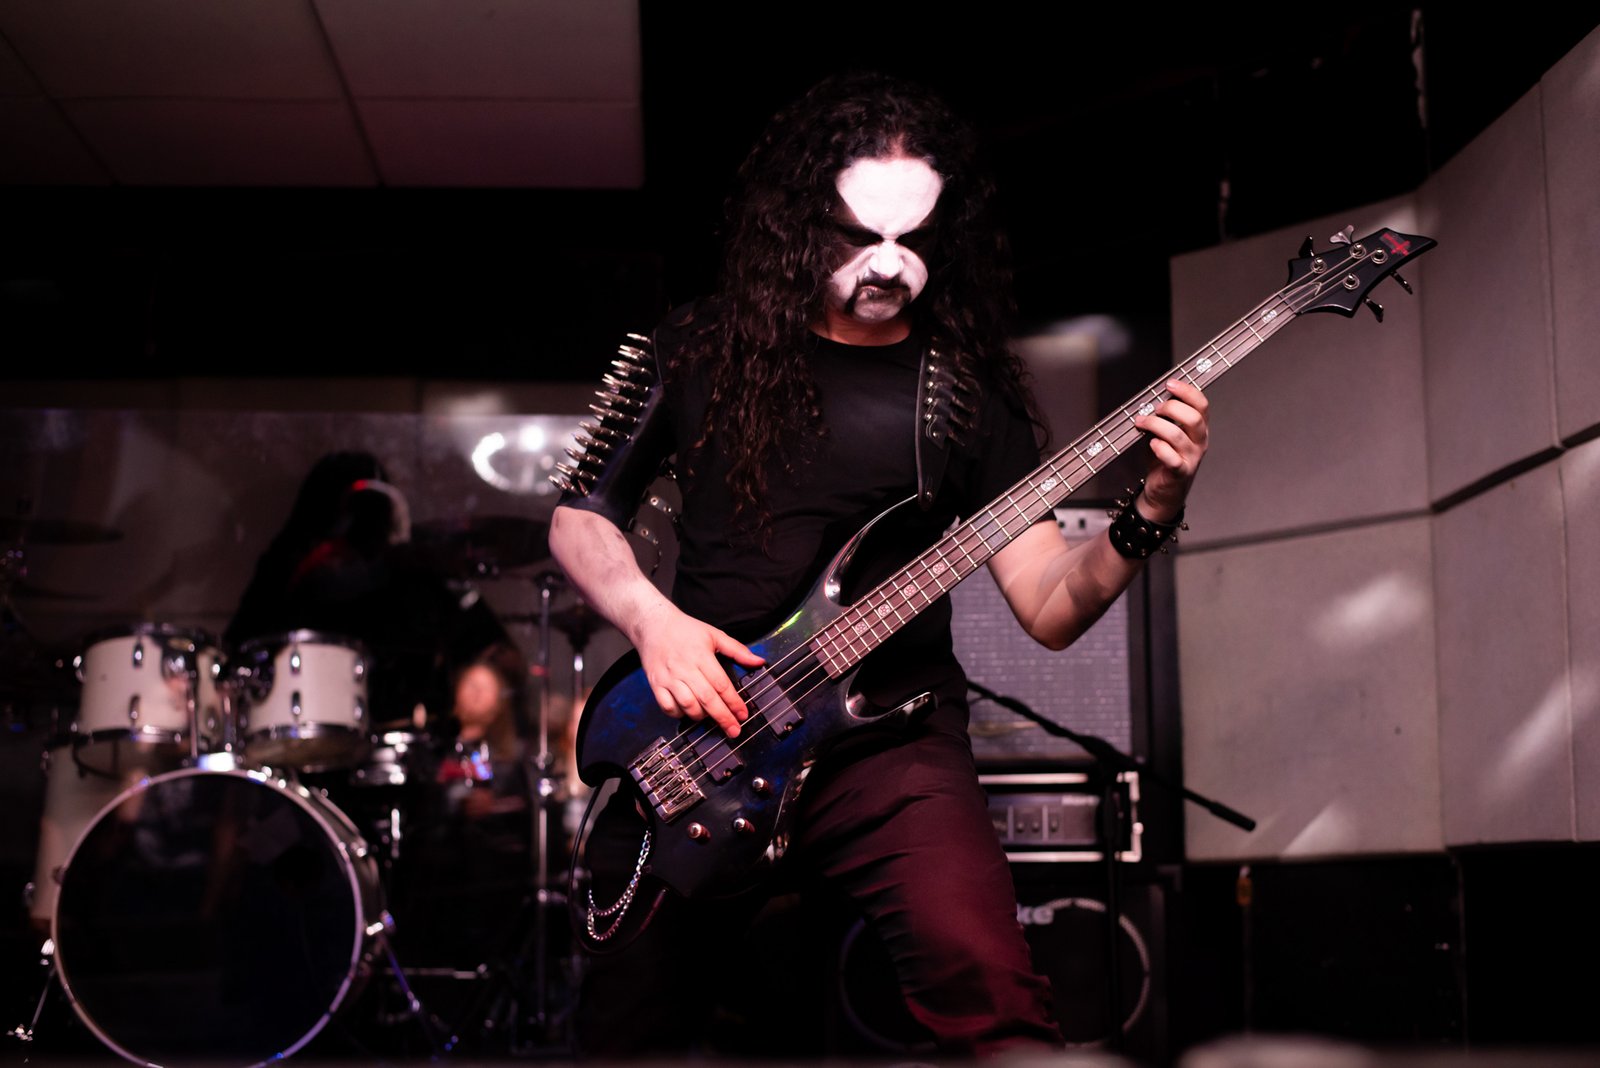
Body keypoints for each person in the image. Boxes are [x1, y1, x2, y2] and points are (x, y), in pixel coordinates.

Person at [547, 70, 1209, 1059]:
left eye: (916, 239)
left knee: (991, 991)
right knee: (626, 1028)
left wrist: (1151, 509)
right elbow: (578, 522)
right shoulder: (696, 348)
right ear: (796, 223)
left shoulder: (968, 392)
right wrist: (654, 623)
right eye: (859, 237)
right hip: (703, 735)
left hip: (891, 740)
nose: (891, 266)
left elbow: (1049, 606)